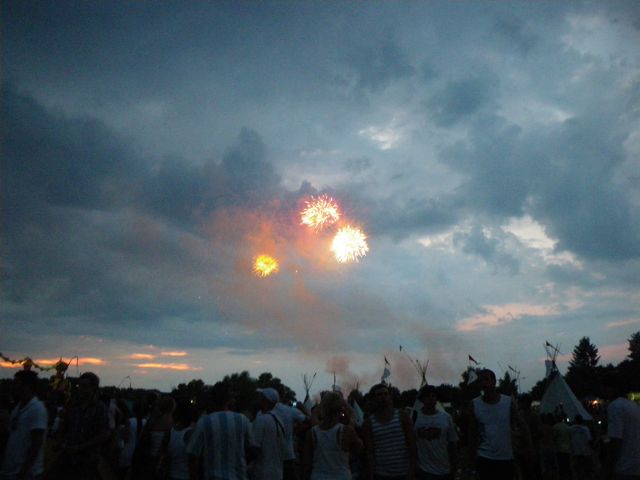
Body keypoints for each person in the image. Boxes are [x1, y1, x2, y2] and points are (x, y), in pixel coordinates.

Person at [468, 369, 532, 480]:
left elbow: (522, 425)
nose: (484, 383)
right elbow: (472, 433)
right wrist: (471, 457)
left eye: (486, 379)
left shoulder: (508, 402)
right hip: (484, 457)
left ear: (494, 382)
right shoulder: (475, 404)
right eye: (481, 381)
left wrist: (528, 447)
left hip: (505, 457)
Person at [186, 382, 254, 480]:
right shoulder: (242, 420)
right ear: (229, 399)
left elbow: (193, 454)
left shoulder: (204, 422)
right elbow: (251, 448)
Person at [53, 371, 109, 480]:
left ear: (94, 388)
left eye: (85, 386)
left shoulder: (100, 408)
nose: (81, 389)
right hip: (68, 457)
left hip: (87, 461)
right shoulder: (73, 405)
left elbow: (104, 434)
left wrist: (80, 447)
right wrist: (60, 441)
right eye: (79, 386)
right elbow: (65, 425)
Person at [302, 391, 362, 480]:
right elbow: (359, 449)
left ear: (323, 409)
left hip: (318, 476)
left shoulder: (312, 432)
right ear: (340, 409)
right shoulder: (347, 431)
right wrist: (344, 403)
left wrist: (323, 403)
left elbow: (306, 462)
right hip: (342, 476)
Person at [362, 383, 416, 480]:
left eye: (385, 394)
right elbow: (370, 451)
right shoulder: (369, 423)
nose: (383, 397)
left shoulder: (402, 416)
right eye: (379, 394)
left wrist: (412, 469)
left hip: (403, 473)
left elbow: (411, 444)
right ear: (374, 399)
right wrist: (371, 474)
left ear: (390, 397)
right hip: (381, 474)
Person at [0, 369, 47, 480]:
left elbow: (36, 444)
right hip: (11, 470)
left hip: (26, 473)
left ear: (27, 386)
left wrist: (24, 472)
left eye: (17, 383)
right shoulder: (18, 407)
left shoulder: (37, 409)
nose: (13, 387)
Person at [413, 385, 458, 480]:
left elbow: (452, 443)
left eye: (433, 396)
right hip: (423, 470)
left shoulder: (446, 417)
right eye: (427, 396)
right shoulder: (415, 418)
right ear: (422, 399)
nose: (431, 399)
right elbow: (412, 443)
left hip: (444, 469)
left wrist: (454, 464)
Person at [603, 379, 640, 480]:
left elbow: (615, 440)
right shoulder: (635, 406)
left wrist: (608, 468)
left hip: (623, 467)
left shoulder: (615, 406)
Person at [252, 388, 286, 480]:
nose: (258, 400)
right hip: (277, 473)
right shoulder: (279, 420)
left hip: (263, 473)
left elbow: (255, 448)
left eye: (261, 398)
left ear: (265, 401)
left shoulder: (261, 420)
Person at [272, 392, 308, 480]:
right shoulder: (290, 411)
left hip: (271, 456)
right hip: (287, 454)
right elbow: (307, 420)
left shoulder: (263, 412)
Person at [167, 401, 195, 480]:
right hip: (185, 475)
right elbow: (193, 459)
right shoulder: (190, 433)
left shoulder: (170, 431)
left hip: (171, 474)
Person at [568, 415, 592, 479]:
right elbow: (589, 439)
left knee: (576, 466)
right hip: (584, 450)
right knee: (584, 466)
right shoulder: (585, 429)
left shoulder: (570, 428)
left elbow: (569, 437)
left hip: (575, 450)